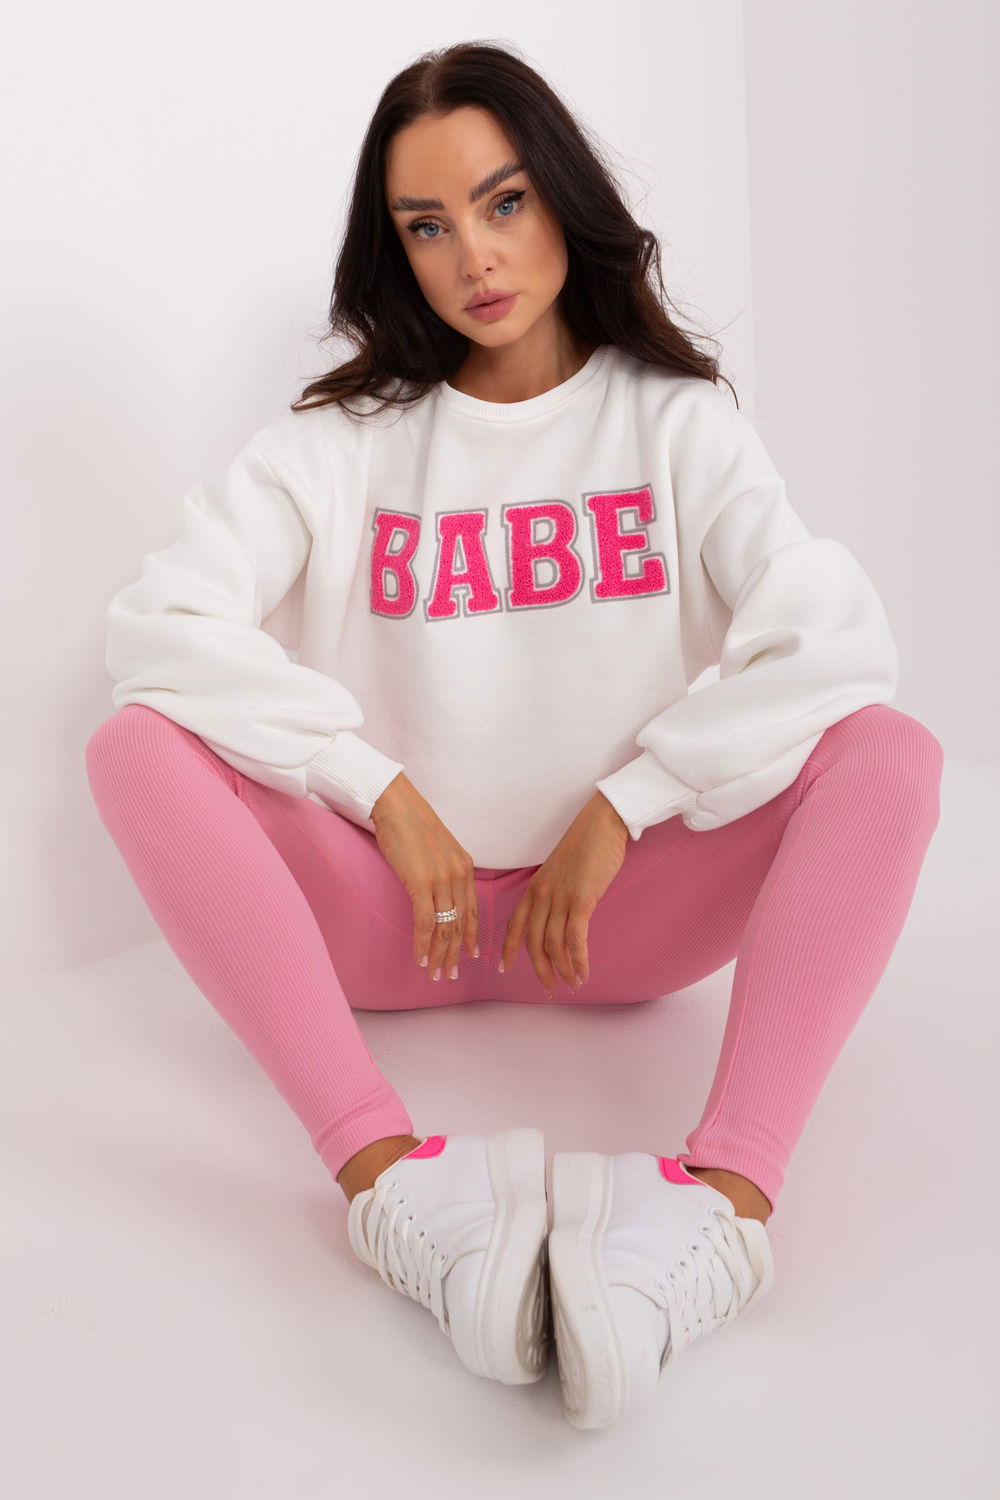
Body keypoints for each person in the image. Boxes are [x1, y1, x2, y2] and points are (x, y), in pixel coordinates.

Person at [84, 40, 943, 1430]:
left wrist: (626, 805)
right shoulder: (338, 444)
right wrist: (378, 791)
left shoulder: (678, 425)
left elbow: (830, 643)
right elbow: (159, 626)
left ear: (559, 195)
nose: (474, 256)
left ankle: (720, 1207)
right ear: (396, 250)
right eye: (427, 226)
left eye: (502, 203)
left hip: (612, 922)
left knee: (890, 755)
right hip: (391, 919)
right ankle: (393, 1184)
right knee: (134, 747)